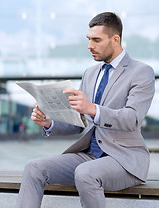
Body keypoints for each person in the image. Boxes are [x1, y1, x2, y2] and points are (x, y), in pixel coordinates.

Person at [16, 12, 155, 208]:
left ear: (116, 40)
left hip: (124, 160)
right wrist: (49, 123)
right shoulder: (90, 74)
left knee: (85, 173)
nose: (90, 46)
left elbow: (132, 118)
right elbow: (80, 121)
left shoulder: (141, 72)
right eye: (89, 39)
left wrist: (92, 108)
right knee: (34, 167)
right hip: (89, 155)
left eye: (96, 40)